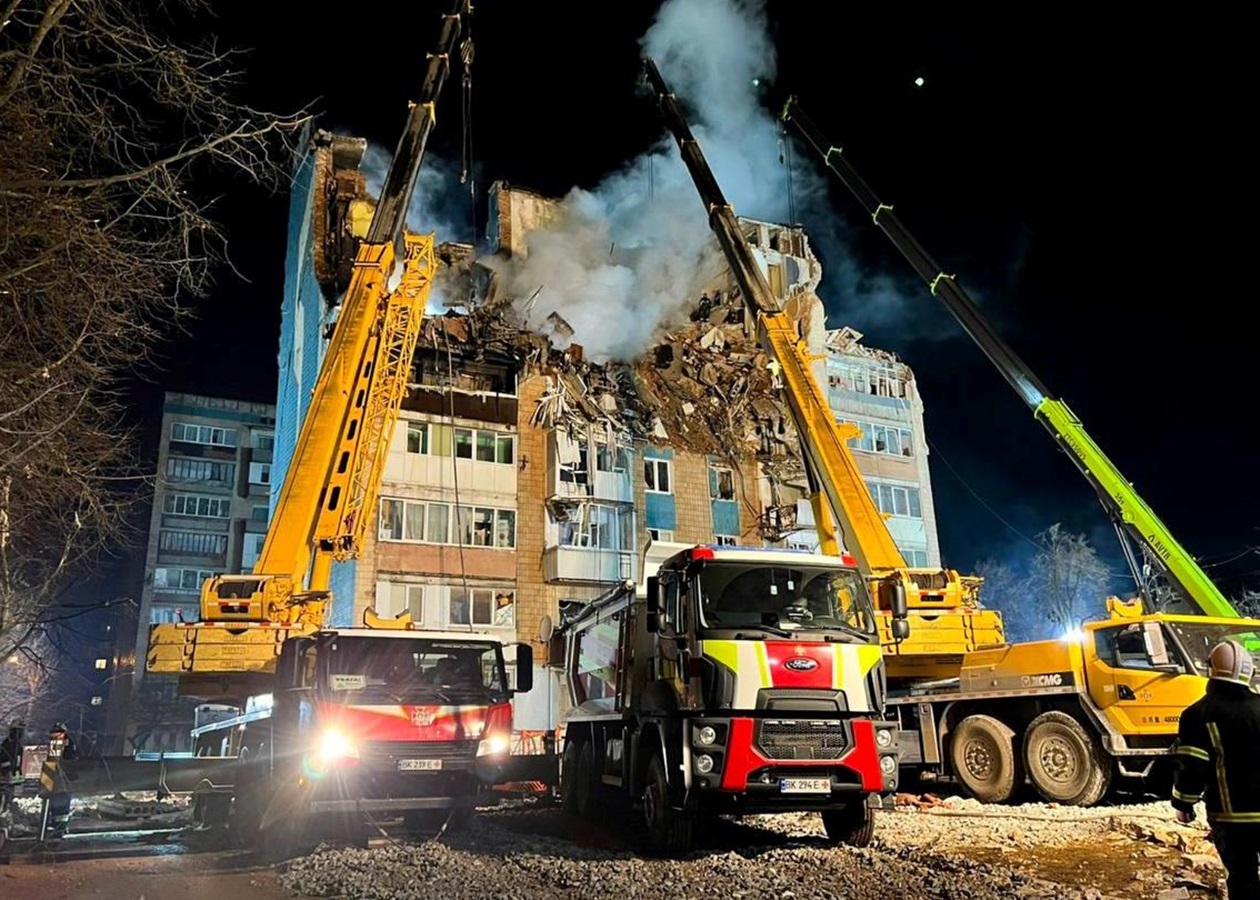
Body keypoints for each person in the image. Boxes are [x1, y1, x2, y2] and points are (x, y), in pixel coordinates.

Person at [1170, 639, 1260, 897]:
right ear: (1248, 671)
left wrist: (1184, 805)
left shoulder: (1198, 713)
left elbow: (1192, 766)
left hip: (1232, 818)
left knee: (1243, 881)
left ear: (1211, 669)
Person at [47, 722, 77, 835]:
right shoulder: (58, 743)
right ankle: (57, 827)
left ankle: (59, 828)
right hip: (57, 781)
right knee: (56, 807)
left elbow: (69, 762)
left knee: (61, 807)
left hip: (61, 781)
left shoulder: (64, 744)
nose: (55, 736)